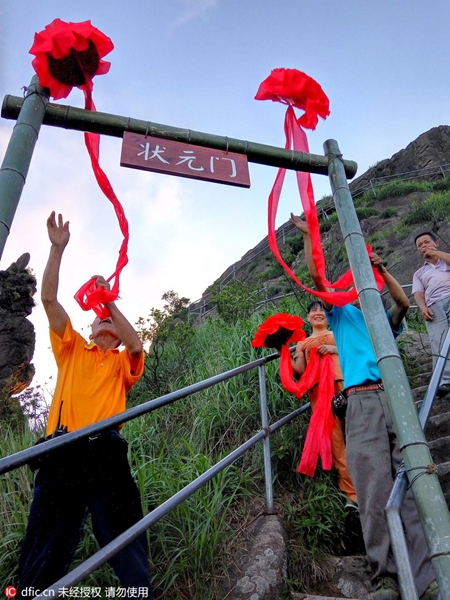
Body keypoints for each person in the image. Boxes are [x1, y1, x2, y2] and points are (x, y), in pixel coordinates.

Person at [290, 214, 438, 600]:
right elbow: (318, 280)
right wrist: (311, 238)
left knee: (414, 484)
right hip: (359, 400)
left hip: (394, 395)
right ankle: (385, 577)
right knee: (372, 489)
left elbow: (403, 302)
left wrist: (384, 271)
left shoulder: (380, 320)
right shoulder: (342, 313)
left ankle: (427, 576)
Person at [18, 212, 153, 598]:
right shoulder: (73, 348)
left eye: (108, 320)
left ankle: (139, 595)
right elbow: (47, 299)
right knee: (45, 542)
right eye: (97, 320)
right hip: (62, 451)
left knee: (124, 535)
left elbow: (136, 343)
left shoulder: (122, 362)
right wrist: (56, 249)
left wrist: (109, 301)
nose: (103, 322)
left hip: (106, 451)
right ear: (89, 329)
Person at [292, 299, 357, 507]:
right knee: (337, 442)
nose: (318, 312)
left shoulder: (338, 332)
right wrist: (281, 352)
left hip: (346, 383)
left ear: (328, 316)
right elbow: (300, 371)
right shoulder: (303, 343)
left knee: (360, 433)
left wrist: (332, 348)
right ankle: (351, 492)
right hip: (320, 393)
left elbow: (354, 349)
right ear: (308, 317)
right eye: (313, 310)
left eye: (321, 309)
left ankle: (374, 481)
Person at [412, 231, 450, 396]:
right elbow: (418, 294)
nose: (423, 246)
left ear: (436, 243)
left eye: (426, 242)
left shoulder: (446, 259)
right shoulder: (419, 273)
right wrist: (422, 307)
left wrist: (436, 254)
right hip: (433, 305)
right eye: (420, 245)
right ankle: (444, 381)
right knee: (439, 342)